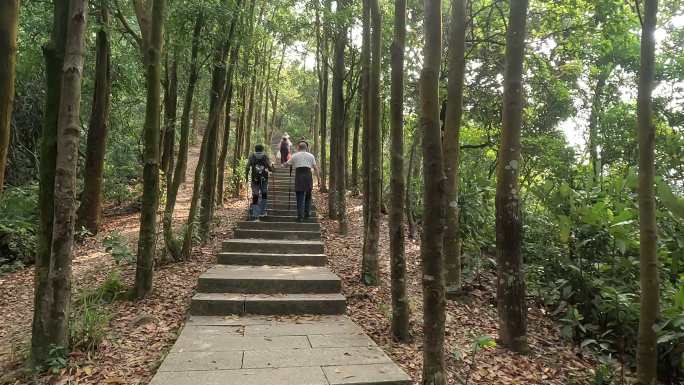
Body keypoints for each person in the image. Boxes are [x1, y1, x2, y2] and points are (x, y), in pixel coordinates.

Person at [283, 140, 320, 222]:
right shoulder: (311, 156)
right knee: (308, 196)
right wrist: (318, 180)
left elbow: (286, 165)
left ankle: (300, 217)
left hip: (299, 176)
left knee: (300, 197)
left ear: (298, 148)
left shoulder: (295, 156)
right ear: (306, 148)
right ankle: (307, 214)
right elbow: (316, 168)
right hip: (308, 176)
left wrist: (283, 163)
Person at [245, 144, 274, 219]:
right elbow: (270, 168)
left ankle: (255, 213)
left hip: (255, 178)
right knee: (264, 193)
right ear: (262, 149)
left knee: (255, 194)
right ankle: (263, 211)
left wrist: (246, 177)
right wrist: (273, 168)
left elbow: (247, 167)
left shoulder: (251, 156)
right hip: (264, 178)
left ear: (255, 149)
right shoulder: (265, 156)